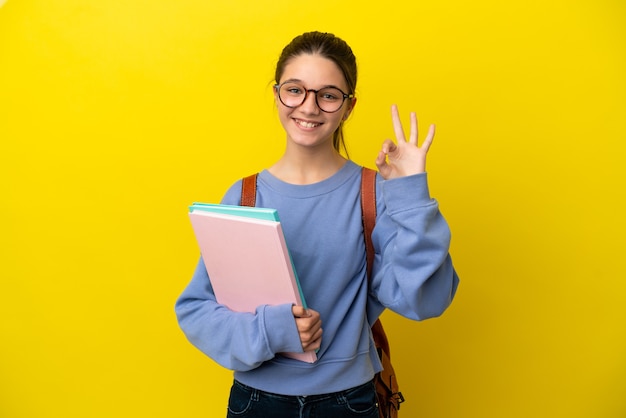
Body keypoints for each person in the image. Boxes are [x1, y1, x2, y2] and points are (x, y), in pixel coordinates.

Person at [175, 31, 459, 418]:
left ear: (348, 106)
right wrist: (272, 331)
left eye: (327, 95)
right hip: (255, 403)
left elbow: (426, 300)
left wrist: (410, 195)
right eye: (295, 90)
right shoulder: (244, 195)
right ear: (276, 94)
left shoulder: (375, 192)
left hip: (349, 402)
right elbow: (196, 310)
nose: (309, 107)